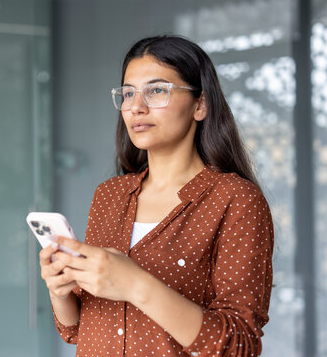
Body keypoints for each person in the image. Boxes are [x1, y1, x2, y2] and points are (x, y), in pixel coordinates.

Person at [39, 35, 274, 357]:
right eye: (128, 93)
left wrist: (137, 284)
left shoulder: (235, 200)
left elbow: (239, 346)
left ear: (200, 104)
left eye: (157, 90)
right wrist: (59, 291)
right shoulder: (110, 195)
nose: (137, 106)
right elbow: (78, 330)